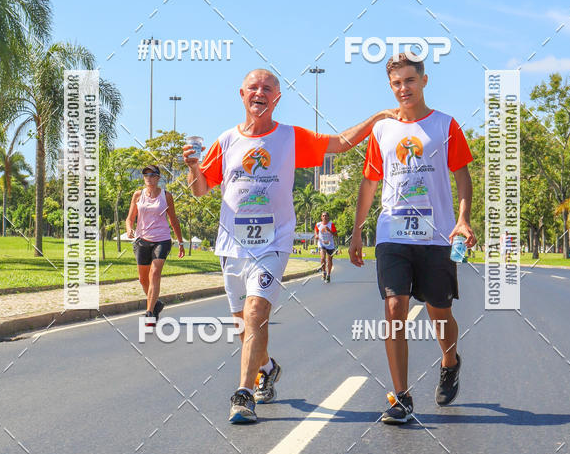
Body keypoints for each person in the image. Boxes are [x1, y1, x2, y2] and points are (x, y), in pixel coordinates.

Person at [184, 68, 397, 424]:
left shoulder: (290, 137)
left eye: (268, 88)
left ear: (276, 98)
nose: (260, 93)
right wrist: (193, 166)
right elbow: (200, 189)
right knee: (243, 324)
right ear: (242, 94)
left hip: (274, 242)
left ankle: (243, 394)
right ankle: (267, 368)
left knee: (255, 313)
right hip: (232, 246)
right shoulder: (226, 141)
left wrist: (376, 118)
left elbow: (341, 143)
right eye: (253, 87)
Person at [349, 54, 476, 424]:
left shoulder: (445, 125)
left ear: (423, 80)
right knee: (394, 309)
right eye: (396, 83)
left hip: (437, 236)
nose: (403, 88)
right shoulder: (382, 131)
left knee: (440, 312)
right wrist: (357, 231)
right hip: (392, 232)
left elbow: (463, 177)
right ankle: (401, 396)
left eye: (409, 80)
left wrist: (463, 220)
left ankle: (450, 360)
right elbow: (369, 183)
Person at [126, 165, 185, 326]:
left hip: (162, 239)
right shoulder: (138, 195)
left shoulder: (166, 196)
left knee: (155, 274)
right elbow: (130, 218)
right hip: (141, 240)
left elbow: (173, 219)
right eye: (146, 175)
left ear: (158, 178)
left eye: (152, 175)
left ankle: (150, 313)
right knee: (143, 279)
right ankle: (156, 304)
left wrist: (180, 241)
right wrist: (129, 229)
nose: (149, 178)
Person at [314, 211, 338, 282]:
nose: (325, 217)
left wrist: (330, 231)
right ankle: (324, 272)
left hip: (330, 245)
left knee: (329, 260)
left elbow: (336, 234)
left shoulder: (331, 225)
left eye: (326, 216)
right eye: (323, 216)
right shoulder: (318, 224)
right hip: (322, 244)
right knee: (322, 258)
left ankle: (328, 275)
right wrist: (316, 235)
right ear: (321, 217)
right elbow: (316, 231)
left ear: (328, 217)